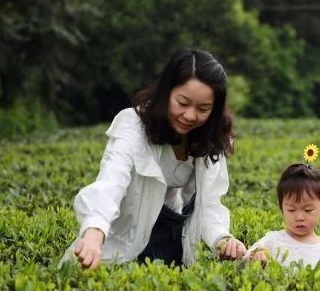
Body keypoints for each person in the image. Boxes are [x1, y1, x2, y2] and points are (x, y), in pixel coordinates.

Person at [63, 46, 246, 269]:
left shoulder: (210, 139)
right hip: (125, 242)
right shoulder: (133, 125)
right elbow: (111, 182)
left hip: (174, 248)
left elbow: (207, 206)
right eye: (183, 103)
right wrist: (94, 232)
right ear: (166, 92)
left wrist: (223, 239)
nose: (190, 116)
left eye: (203, 108)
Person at [243, 149, 320, 268]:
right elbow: (244, 262)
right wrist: (256, 255)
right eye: (291, 210)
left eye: (308, 210)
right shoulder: (272, 241)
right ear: (282, 208)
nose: (299, 217)